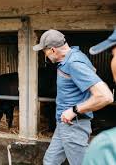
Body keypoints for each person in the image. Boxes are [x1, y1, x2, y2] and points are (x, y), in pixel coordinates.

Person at [33, 29, 113, 165]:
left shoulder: (74, 63)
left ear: (52, 50)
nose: (45, 55)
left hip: (74, 126)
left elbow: (105, 96)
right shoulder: (75, 56)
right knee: (49, 162)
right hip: (64, 124)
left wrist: (74, 110)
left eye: (44, 51)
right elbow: (92, 72)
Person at [82, 28, 116, 165]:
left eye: (113, 55)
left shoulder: (107, 146)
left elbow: (105, 97)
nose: (112, 62)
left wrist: (74, 110)